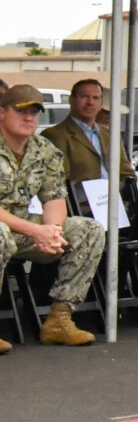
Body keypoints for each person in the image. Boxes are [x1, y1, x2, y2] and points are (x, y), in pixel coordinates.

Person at [0, 82, 108, 348]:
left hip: (24, 228)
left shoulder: (43, 149)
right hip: (9, 227)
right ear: (2, 112)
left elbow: (54, 198)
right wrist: (36, 231)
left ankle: (59, 319)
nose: (29, 118)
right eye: (21, 111)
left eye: (35, 112)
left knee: (89, 229)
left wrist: (52, 231)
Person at [40, 77, 123, 186]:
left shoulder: (110, 135)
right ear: (71, 100)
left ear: (101, 103)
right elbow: (61, 180)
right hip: (80, 202)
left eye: (96, 98)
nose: (90, 102)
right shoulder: (55, 135)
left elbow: (126, 172)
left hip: (114, 200)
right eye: (84, 97)